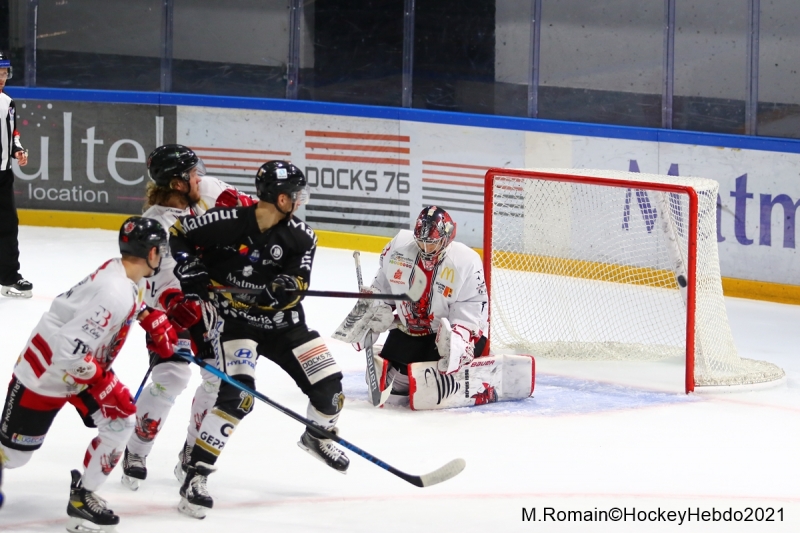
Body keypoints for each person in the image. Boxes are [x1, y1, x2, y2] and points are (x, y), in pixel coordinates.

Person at [169, 161, 348, 519]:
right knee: (237, 397)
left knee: (330, 389)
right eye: (296, 195)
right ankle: (195, 475)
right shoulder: (228, 221)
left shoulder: (302, 236)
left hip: (286, 326)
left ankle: (318, 435)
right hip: (239, 327)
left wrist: (283, 289)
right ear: (281, 198)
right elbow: (178, 231)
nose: (300, 201)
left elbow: (298, 285)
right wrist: (190, 267)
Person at [0, 216, 180, 533]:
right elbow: (67, 349)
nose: (162, 256)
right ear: (151, 253)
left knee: (121, 420)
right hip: (45, 375)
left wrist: (148, 315)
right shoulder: (114, 291)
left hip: (78, 369)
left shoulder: (123, 272)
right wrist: (102, 381)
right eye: (160, 250)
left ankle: (83, 498)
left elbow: (119, 305)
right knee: (13, 458)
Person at [121, 144, 254, 490]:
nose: (200, 177)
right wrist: (180, 301)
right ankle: (136, 450)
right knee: (172, 376)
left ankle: (192, 454)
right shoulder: (154, 223)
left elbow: (255, 213)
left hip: (214, 307)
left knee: (216, 381)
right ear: (178, 184)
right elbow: (157, 279)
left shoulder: (209, 190)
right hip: (170, 313)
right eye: (192, 173)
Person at [335, 206, 489, 397]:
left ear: (447, 238)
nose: (426, 249)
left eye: (432, 243)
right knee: (393, 384)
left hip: (444, 333)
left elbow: (472, 307)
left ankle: (459, 361)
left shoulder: (465, 262)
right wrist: (373, 312)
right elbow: (382, 289)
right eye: (421, 242)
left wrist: (456, 341)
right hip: (411, 329)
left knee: (430, 386)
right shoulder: (398, 249)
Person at [0, 51, 32, 298]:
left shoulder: (8, 102)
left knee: (8, 226)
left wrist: (17, 151)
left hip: (3, 176)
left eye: (4, 73)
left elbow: (13, 135)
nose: (2, 78)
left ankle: (10, 277)